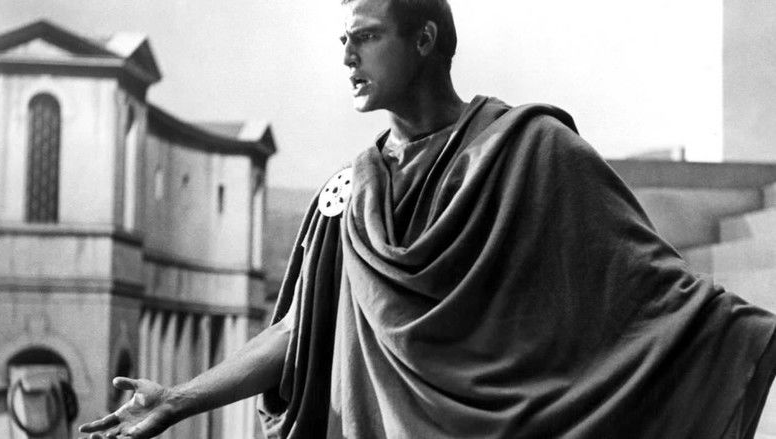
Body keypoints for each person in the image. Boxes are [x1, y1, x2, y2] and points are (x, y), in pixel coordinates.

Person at [80, 0, 776, 438]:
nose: (347, 55)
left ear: (425, 40)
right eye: (343, 39)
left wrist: (750, 335)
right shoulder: (348, 194)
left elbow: (651, 289)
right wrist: (178, 399)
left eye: (366, 35)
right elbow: (298, 331)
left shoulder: (532, 152)